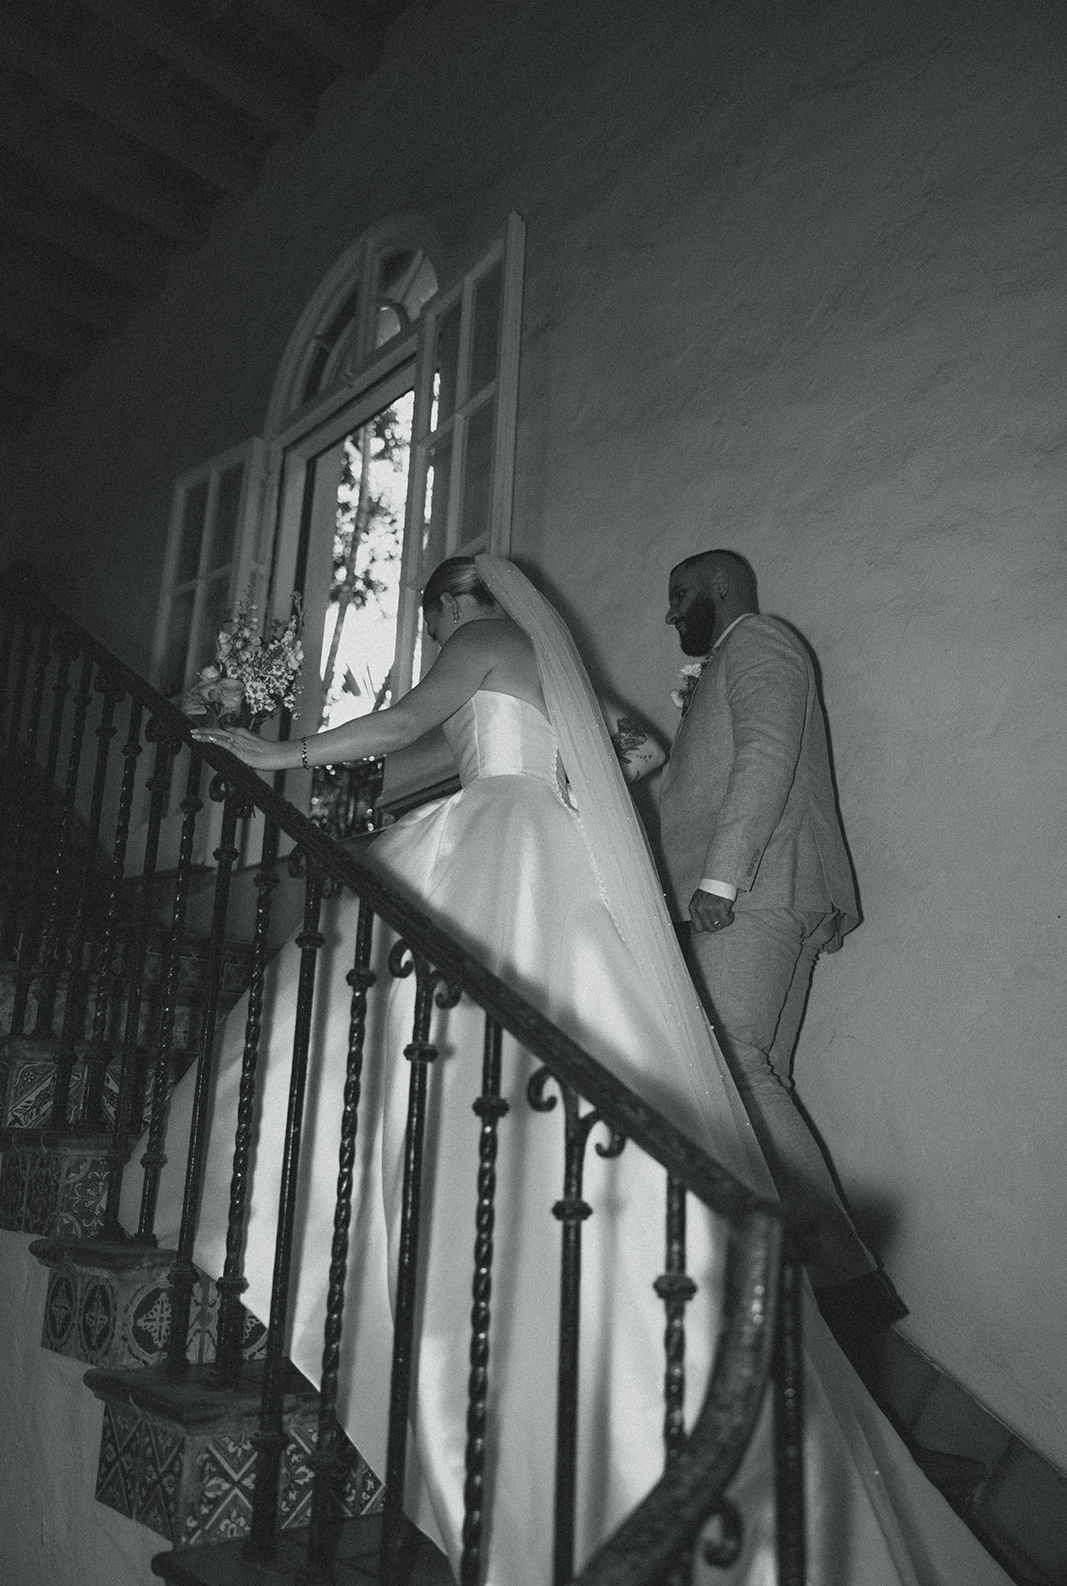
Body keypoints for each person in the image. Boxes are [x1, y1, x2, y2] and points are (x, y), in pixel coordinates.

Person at [148, 555, 1010, 1586]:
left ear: (449, 605)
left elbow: (395, 723)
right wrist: (558, 781)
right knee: (566, 1048)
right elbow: (637, 748)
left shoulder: (476, 641)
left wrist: (275, 747)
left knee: (391, 1017)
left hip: (489, 835)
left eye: (430, 613)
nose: (434, 631)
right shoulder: (552, 667)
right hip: (558, 848)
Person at [659, 549, 902, 1340]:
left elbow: (766, 757)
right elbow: (721, 770)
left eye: (680, 595)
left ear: (720, 585)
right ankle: (821, 1294)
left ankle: (843, 1281)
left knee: (732, 1062)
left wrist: (720, 882)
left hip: (760, 881)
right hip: (772, 881)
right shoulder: (725, 665)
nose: (671, 614)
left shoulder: (758, 639)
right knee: (757, 1073)